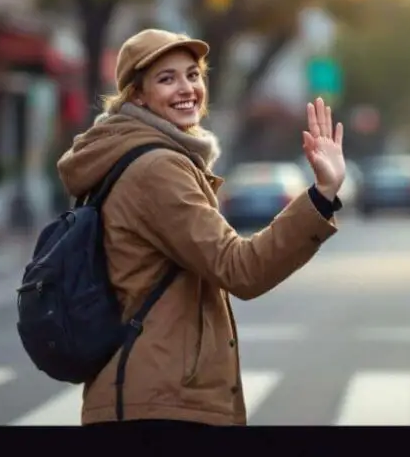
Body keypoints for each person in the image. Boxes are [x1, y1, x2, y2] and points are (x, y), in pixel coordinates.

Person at [55, 28, 346, 428]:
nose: (187, 88)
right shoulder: (157, 168)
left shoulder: (140, 156)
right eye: (166, 78)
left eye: (193, 74)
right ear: (137, 95)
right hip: (162, 403)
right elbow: (241, 268)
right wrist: (321, 195)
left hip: (146, 393)